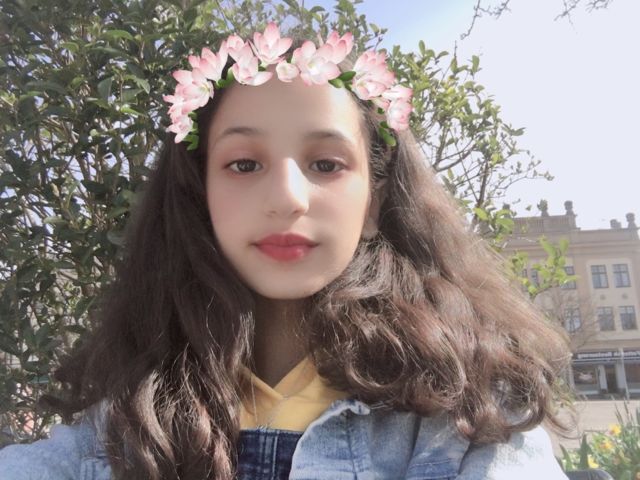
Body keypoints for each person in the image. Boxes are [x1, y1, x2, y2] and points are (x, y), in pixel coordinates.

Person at [0, 23, 576, 479]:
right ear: (201, 195)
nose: (286, 198)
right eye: (243, 164)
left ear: (374, 203)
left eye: (326, 164)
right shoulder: (123, 424)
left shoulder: (466, 418)